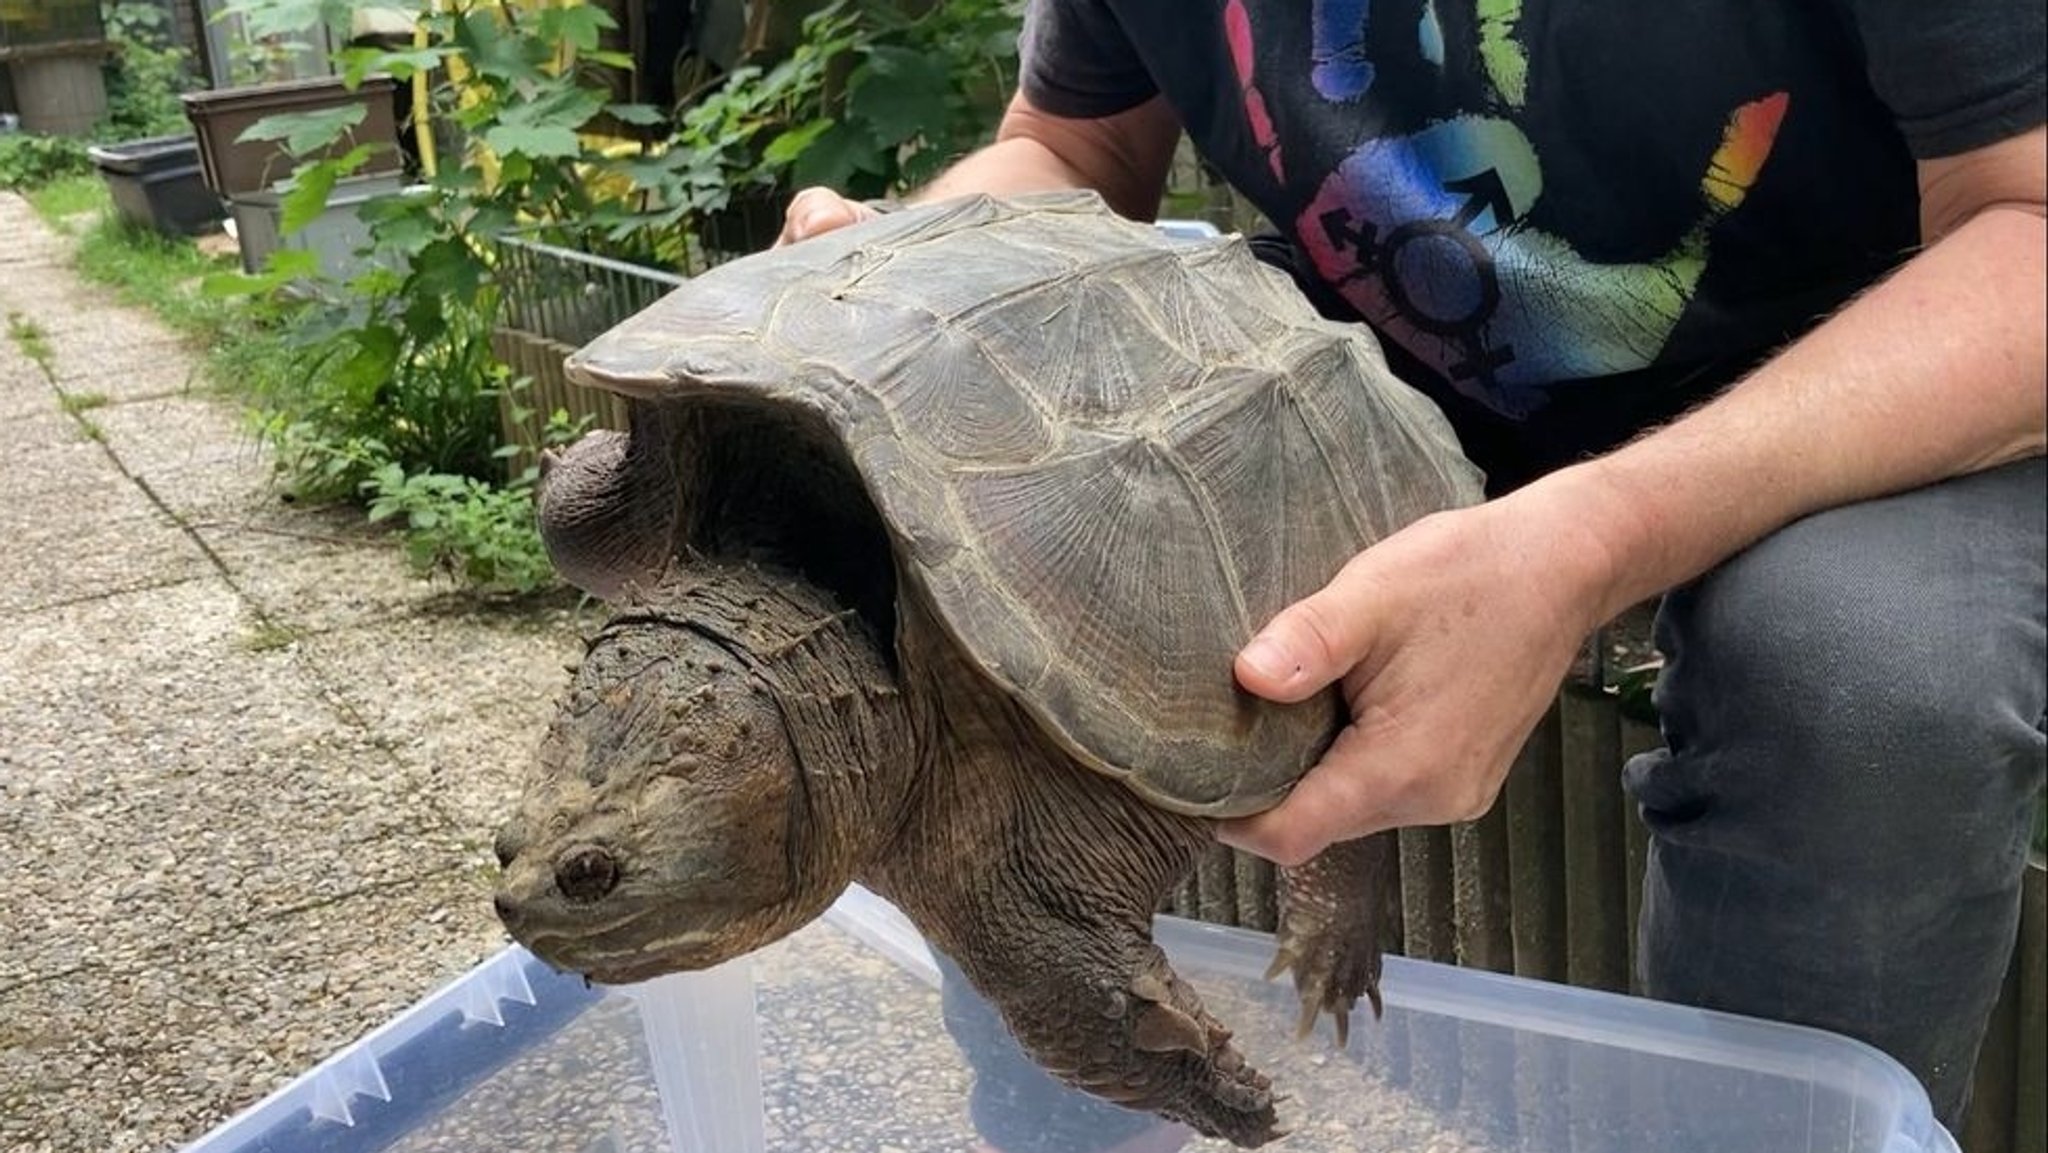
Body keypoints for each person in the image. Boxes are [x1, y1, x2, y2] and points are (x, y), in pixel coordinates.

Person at [779, 0, 2046, 1132]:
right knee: (954, 490)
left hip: (1887, 368)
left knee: (1861, 676)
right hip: (1405, 343)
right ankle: (1054, 1105)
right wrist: (905, 268)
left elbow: (2025, 229)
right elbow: (1072, 151)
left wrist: (1591, 533)